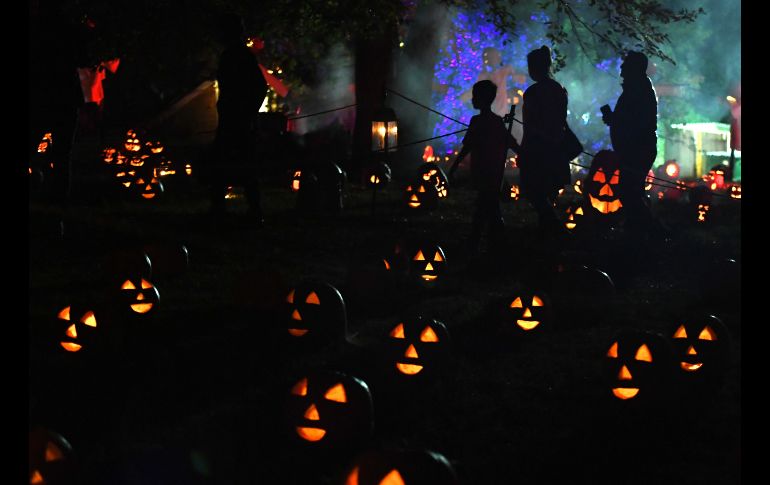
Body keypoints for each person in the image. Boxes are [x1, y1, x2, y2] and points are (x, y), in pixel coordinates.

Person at [208, 13, 268, 222]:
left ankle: (252, 211)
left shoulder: (239, 56)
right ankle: (222, 209)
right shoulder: (234, 55)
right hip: (233, 117)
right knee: (227, 163)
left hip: (239, 120)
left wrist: (248, 111)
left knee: (240, 164)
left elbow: (260, 87)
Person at [449, 80, 519, 254]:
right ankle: (494, 240)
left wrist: (455, 165)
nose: (472, 100)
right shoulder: (493, 121)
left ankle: (482, 241)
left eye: (475, 96)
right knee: (489, 206)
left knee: (485, 207)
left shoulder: (480, 121)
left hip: (486, 172)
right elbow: (510, 143)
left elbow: (468, 146)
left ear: (482, 99)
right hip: (491, 172)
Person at [601, 51, 662, 240]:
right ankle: (637, 228)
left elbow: (634, 123)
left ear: (634, 68)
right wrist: (615, 120)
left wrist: (614, 120)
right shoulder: (637, 89)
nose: (621, 68)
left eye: (625, 64)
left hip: (637, 150)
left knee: (629, 191)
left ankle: (650, 230)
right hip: (635, 148)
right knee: (631, 190)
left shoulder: (638, 90)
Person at [518, 45, 571, 236]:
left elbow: (529, 125)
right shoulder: (559, 89)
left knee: (535, 191)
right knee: (548, 191)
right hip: (556, 147)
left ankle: (554, 227)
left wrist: (524, 150)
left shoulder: (533, 93)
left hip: (538, 148)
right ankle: (546, 231)